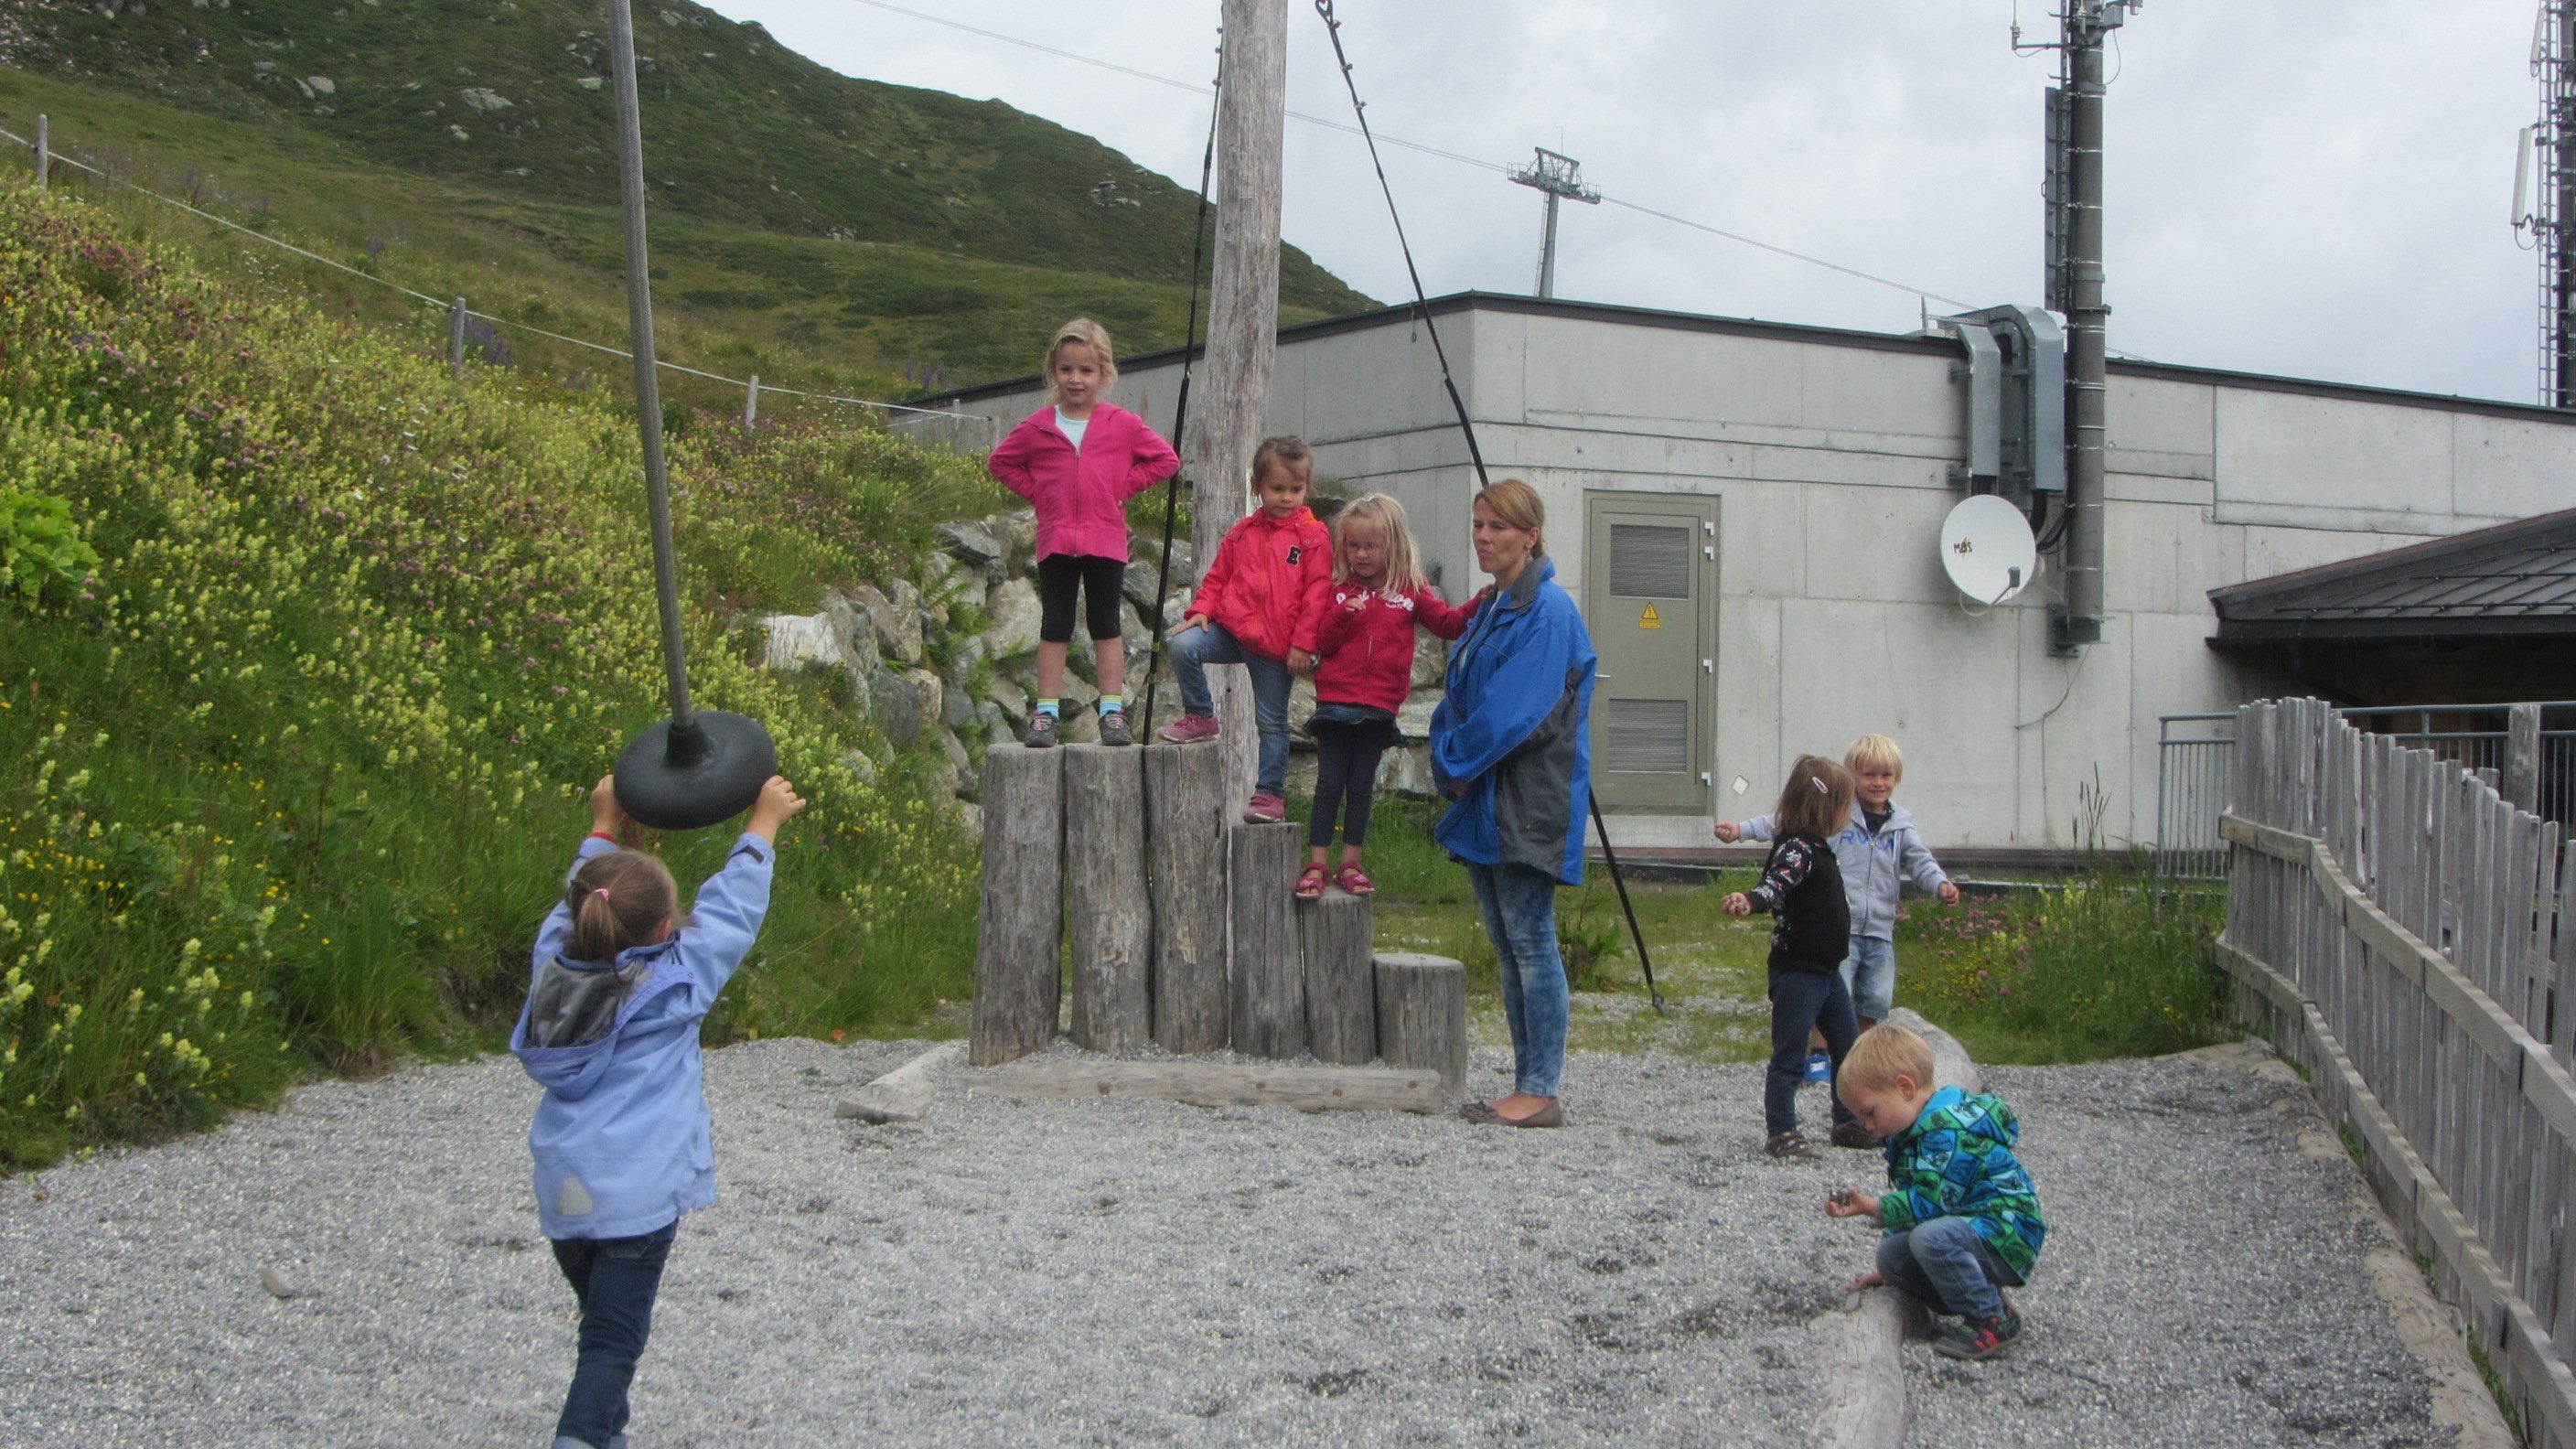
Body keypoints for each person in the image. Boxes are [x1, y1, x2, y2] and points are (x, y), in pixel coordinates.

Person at [512, 770, 808, 1449]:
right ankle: (580, 1437)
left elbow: (574, 906)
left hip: (565, 1192)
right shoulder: (677, 984)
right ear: (667, 929)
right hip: (637, 1199)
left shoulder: (552, 968)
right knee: (611, 1343)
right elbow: (731, 913)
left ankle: (606, 1434)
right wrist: (761, 826)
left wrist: (602, 829)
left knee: (601, 1328)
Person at [1429, 478, 1595, 1129]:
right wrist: (1446, 756)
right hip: (1485, 794)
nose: (1483, 536)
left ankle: (1540, 1088)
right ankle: (1528, 1082)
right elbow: (1458, 696)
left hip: (1527, 798)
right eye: (1478, 524)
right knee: (1507, 943)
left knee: (1530, 939)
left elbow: (1516, 714)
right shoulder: (1495, 606)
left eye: (1497, 526)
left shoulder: (1548, 612)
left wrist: (1456, 764)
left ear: (1531, 535)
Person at [986, 317, 1180, 748]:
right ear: (1053, 371)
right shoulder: (1037, 426)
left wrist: (1122, 488)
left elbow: (1166, 460)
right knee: (1055, 625)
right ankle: (1046, 714)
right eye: (1067, 369)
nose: (1076, 379)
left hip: (1105, 540)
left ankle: (1112, 712)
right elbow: (1000, 462)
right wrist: (1040, 495)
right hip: (1055, 540)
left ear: (1104, 373)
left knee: (1105, 625)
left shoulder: (1122, 423)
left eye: (1086, 370)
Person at [1717, 732, 1958, 1065]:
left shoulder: (1900, 826)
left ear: (1897, 778)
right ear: (1852, 776)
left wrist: (1940, 884)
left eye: (1886, 775)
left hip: (1880, 927)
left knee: (1875, 998)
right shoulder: (1838, 815)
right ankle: (1820, 1053)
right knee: (1831, 992)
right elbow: (1783, 821)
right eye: (1869, 775)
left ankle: (1858, 1057)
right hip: (1839, 927)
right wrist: (1741, 830)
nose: (1878, 782)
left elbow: (1920, 861)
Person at [1826, 1022, 2045, 1360]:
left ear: (1905, 1088)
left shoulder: (1946, 1134)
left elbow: (1929, 1206)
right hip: (1971, 1230)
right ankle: (1981, 1297)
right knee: (1892, 1258)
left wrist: (1873, 1207)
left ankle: (1992, 1318)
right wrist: (1891, 1272)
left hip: (2007, 1232)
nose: (1868, 1126)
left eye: (1870, 1112)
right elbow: (1914, 1200)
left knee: (1930, 1238)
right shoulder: (1912, 1134)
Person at [1296, 493, 1472, 898]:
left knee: (1361, 784)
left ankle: (1350, 862)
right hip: (1335, 703)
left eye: (1371, 546)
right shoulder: (1337, 590)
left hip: (1378, 707)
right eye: (1353, 546)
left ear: (1391, 545)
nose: (1361, 554)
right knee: (1328, 783)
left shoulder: (1411, 591)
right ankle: (1317, 862)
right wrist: (1342, 615)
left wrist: (1479, 603)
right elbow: (1323, 641)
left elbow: (1447, 624)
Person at [1154, 436, 1334, 824]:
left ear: (1306, 487)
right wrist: (1202, 609)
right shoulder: (1242, 533)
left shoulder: (1313, 537)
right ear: (1257, 486)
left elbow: (1317, 594)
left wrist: (1303, 643)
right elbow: (1218, 579)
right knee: (1183, 644)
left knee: (1270, 722)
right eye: (1278, 488)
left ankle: (1269, 795)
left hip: (1276, 647)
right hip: (1233, 631)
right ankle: (1201, 715)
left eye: (1296, 489)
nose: (1287, 497)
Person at [1722, 755, 1863, 1158]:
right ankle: (1781, 1130)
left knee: (1847, 1047)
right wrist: (1749, 900)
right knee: (1790, 1053)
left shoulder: (1818, 849)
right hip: (1799, 972)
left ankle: (1848, 1121)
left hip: (1827, 972)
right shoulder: (1797, 851)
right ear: (1825, 809)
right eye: (1844, 807)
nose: (1848, 816)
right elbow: (1774, 886)